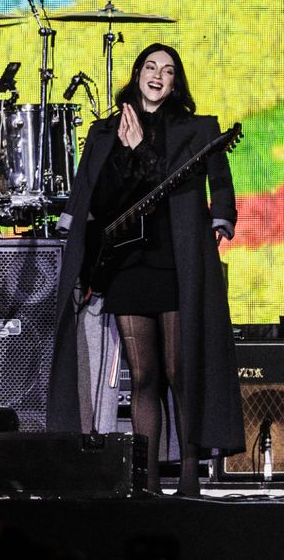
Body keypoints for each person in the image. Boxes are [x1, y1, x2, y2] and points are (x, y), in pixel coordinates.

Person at [47, 43, 242, 495]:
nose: (158, 75)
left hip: (177, 262)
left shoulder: (198, 128)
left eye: (168, 70)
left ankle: (190, 477)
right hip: (130, 266)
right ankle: (147, 481)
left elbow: (222, 181)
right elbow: (91, 196)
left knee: (179, 371)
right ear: (136, 74)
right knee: (145, 377)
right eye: (151, 67)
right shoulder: (105, 132)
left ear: (176, 82)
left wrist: (221, 217)